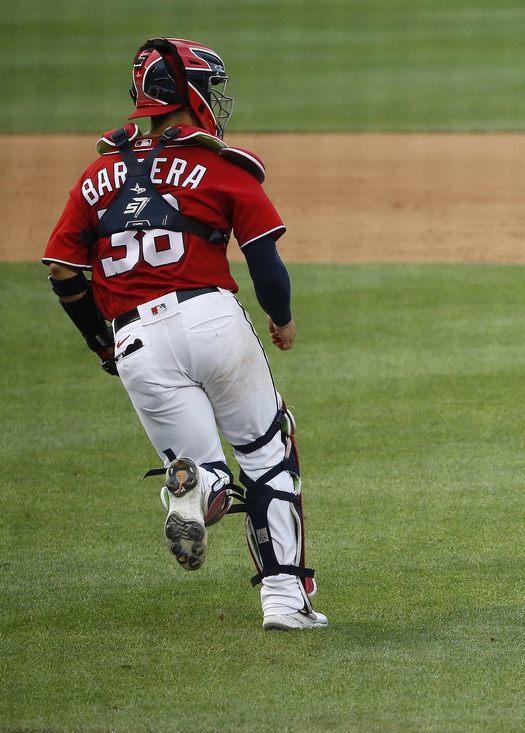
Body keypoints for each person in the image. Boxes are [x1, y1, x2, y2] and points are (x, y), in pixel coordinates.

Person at [42, 38, 326, 630]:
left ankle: (195, 484)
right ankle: (284, 602)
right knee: (268, 453)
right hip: (212, 320)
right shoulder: (218, 164)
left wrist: (101, 343)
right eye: (210, 86)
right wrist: (282, 317)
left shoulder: (97, 173)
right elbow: (265, 263)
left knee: (207, 473)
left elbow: (65, 272)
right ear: (186, 92)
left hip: (135, 341)